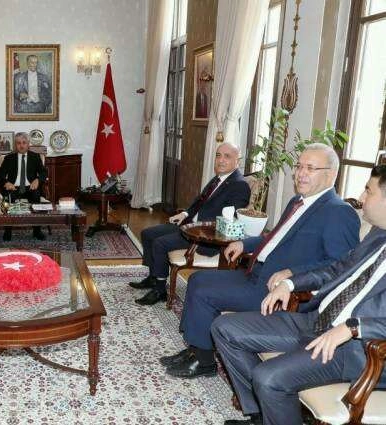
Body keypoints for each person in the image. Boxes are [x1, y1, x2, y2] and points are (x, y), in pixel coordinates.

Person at [162, 143, 360, 379]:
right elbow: (275, 237)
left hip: (277, 291)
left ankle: (204, 362)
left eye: (310, 168)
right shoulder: (298, 201)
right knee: (198, 280)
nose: (300, 173)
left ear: (331, 174)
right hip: (257, 274)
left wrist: (292, 274)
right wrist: (245, 244)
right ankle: (197, 348)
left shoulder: (338, 212)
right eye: (299, 166)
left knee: (205, 292)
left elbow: (340, 266)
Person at [212, 165, 386, 425]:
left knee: (268, 377)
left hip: (357, 350)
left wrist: (354, 327)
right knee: (224, 327)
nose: (361, 198)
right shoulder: (378, 233)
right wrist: (291, 283)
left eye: (368, 191)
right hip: (317, 320)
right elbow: (336, 269)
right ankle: (263, 414)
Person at [131, 143, 251, 305]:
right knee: (147, 234)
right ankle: (154, 277)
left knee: (160, 243)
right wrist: (185, 214)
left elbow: (230, 219)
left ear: (238, 161)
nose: (221, 160)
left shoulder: (240, 185)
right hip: (189, 226)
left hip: (205, 237)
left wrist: (195, 227)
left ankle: (160, 290)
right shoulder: (219, 178)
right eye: (218, 155)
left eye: (227, 156)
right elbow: (200, 201)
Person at [0, 132, 47, 241]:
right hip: (13, 187)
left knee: (36, 196)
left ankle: (37, 231)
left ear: (28, 144)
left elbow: (44, 172)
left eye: (24, 143)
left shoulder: (35, 157)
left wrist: (38, 180)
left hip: (30, 187)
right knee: (7, 199)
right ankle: (7, 230)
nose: (21, 145)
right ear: (15, 145)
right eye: (18, 143)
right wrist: (6, 183)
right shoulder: (9, 158)